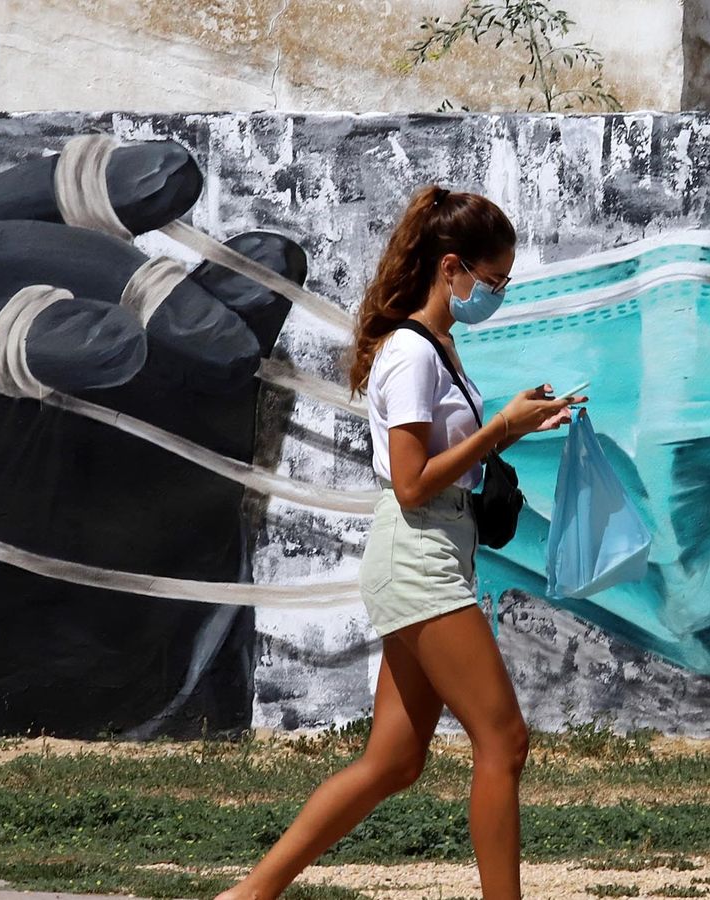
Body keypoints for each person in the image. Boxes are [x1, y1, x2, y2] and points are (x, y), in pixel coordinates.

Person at [215, 184, 583, 900]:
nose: (498, 293)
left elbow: (448, 459)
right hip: (418, 550)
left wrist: (520, 425)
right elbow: (412, 483)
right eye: (495, 279)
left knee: (393, 760)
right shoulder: (412, 354)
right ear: (453, 269)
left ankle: (251, 893)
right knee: (503, 741)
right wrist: (499, 429)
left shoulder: (438, 347)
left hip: (431, 547)